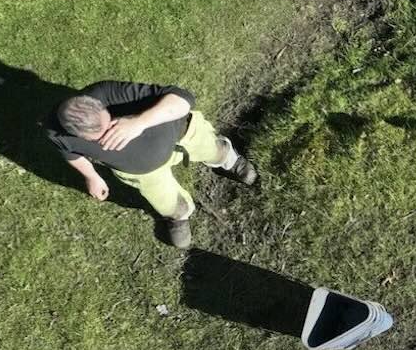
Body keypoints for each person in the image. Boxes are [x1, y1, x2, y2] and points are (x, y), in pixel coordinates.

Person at [48, 81, 259, 248]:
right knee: (168, 202)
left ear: (98, 105)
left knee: (214, 150)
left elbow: (183, 99)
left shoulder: (108, 92)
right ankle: (179, 215)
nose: (111, 134)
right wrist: (92, 176)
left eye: (109, 123)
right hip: (145, 172)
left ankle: (230, 161)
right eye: (99, 137)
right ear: (76, 134)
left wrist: (138, 122)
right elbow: (70, 154)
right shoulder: (57, 134)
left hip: (181, 135)